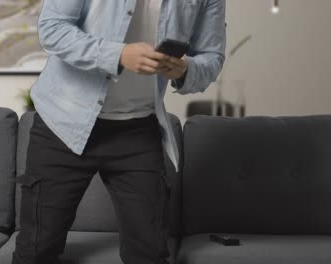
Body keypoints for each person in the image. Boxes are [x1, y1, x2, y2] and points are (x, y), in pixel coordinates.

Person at [12, 0, 226, 263]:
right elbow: (52, 28)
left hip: (138, 130)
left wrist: (186, 69)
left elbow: (212, 56)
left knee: (150, 253)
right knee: (36, 250)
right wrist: (118, 54)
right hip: (63, 124)